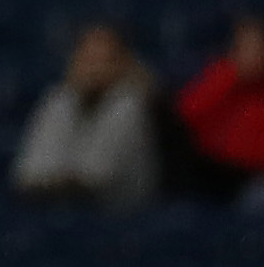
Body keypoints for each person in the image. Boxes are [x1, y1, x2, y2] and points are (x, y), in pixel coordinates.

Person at [11, 21, 159, 209]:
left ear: (124, 63)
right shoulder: (60, 101)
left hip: (120, 216)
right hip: (57, 210)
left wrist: (59, 183)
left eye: (105, 60)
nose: (94, 70)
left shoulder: (131, 104)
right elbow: (29, 175)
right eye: (88, 59)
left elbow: (97, 177)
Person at [167, 15, 264, 205]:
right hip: (206, 172)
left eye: (258, 49)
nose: (252, 55)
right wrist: (232, 75)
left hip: (252, 177)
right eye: (246, 48)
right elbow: (186, 113)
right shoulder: (219, 76)